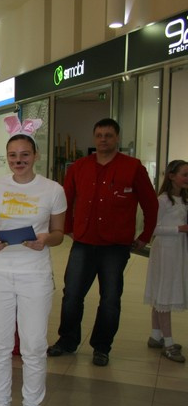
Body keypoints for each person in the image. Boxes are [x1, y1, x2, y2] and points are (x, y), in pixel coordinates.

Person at [0, 116, 66, 406]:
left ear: (35, 156)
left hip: (34, 275)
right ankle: (1, 404)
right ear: (7, 157)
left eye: (24, 155)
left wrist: (44, 239)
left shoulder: (53, 190)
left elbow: (59, 234)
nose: (18, 160)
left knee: (33, 344)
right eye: (13, 155)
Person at [48, 118, 158, 366]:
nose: (103, 139)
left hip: (115, 247)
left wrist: (145, 236)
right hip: (83, 243)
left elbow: (150, 204)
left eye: (108, 135)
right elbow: (65, 200)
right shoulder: (79, 167)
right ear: (94, 138)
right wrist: (67, 229)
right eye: (99, 135)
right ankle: (67, 341)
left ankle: (101, 347)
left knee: (109, 298)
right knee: (72, 295)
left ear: (117, 138)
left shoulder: (133, 167)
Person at [144, 160, 188, 363]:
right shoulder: (162, 200)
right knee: (165, 293)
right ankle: (168, 343)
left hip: (177, 250)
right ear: (171, 176)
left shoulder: (183, 199)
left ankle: (156, 335)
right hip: (165, 251)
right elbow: (153, 228)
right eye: (184, 174)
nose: (187, 178)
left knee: (162, 292)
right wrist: (179, 229)